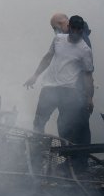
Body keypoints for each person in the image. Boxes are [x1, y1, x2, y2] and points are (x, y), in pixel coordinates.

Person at [25, 12, 95, 144]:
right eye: (72, 29)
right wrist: (35, 76)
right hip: (49, 88)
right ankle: (36, 154)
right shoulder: (58, 39)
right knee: (39, 122)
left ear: (81, 30)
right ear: (69, 27)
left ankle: (68, 160)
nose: (75, 33)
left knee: (66, 127)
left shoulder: (85, 49)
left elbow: (87, 75)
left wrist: (89, 97)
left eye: (78, 30)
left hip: (69, 91)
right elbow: (47, 58)